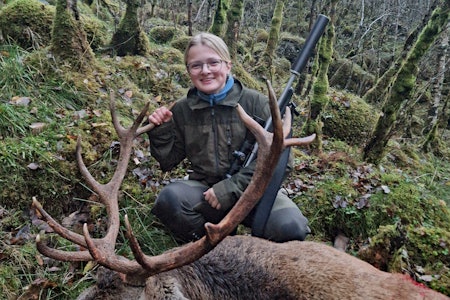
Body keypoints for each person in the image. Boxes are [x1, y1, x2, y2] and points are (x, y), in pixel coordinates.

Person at [147, 32, 310, 243]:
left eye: (213, 63)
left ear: (228, 65)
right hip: (207, 192)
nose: (205, 71)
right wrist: (161, 130)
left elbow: (281, 160)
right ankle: (215, 249)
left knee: (291, 228)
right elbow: (168, 161)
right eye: (196, 66)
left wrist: (231, 189)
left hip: (257, 191)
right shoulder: (182, 109)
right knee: (170, 201)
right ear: (188, 70)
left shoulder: (258, 104)